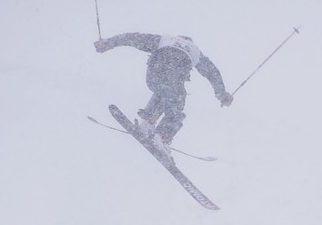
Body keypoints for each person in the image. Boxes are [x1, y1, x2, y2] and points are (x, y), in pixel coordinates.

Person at [94, 33, 233, 160]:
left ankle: (146, 124)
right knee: (175, 104)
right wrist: (221, 94)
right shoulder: (195, 51)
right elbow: (212, 72)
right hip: (174, 73)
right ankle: (162, 137)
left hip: (154, 72)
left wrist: (109, 43)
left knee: (162, 92)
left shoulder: (165, 39)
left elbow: (134, 39)